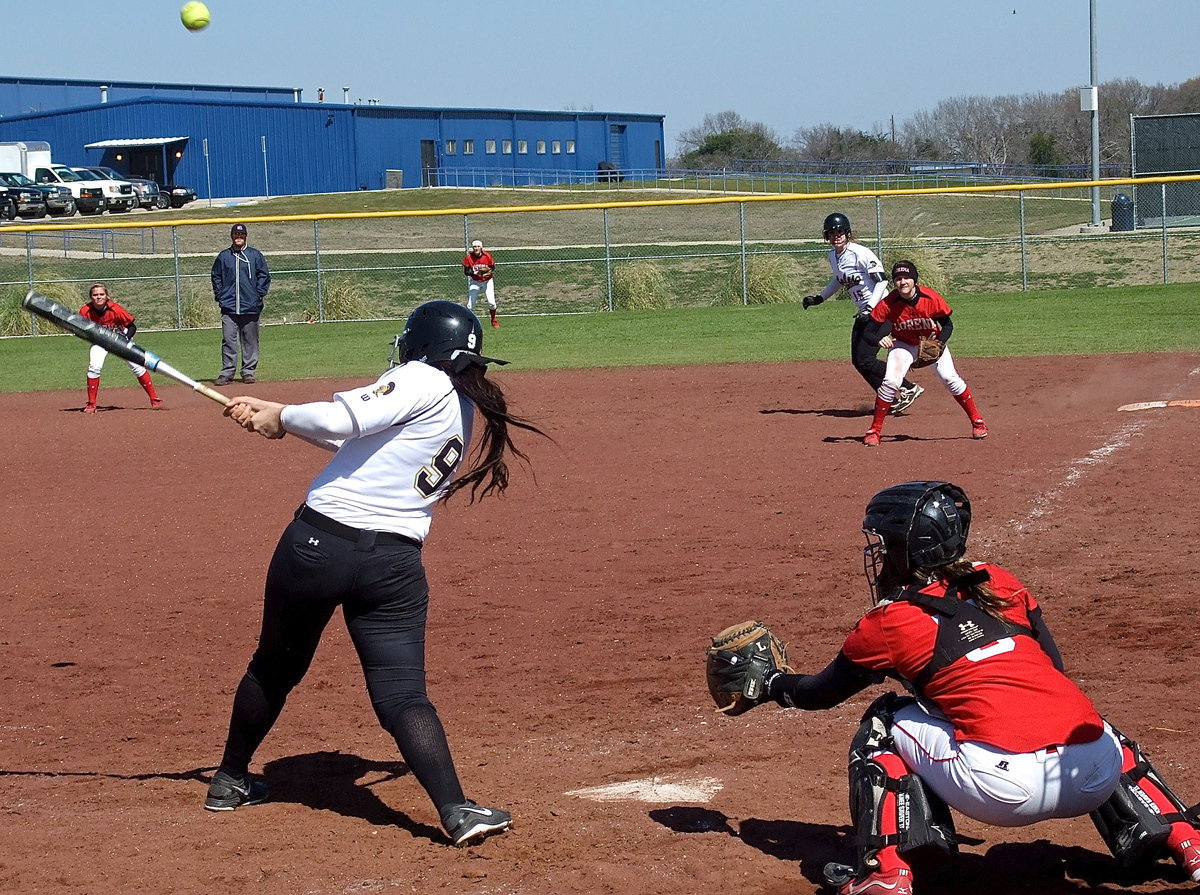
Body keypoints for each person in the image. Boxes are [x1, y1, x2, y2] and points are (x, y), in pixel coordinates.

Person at [712, 481, 1200, 895]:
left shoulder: (891, 622)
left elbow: (821, 693)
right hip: (1095, 773)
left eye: (883, 542)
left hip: (1004, 789)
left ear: (907, 549)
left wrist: (772, 684)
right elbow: (1052, 668)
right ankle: (1184, 839)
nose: (877, 552)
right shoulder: (1002, 582)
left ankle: (886, 874)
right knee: (1082, 717)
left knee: (884, 720)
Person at [205, 300, 545, 848]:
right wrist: (279, 420)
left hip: (316, 546)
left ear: (421, 347)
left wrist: (283, 415)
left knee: (275, 666)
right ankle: (457, 811)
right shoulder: (458, 405)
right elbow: (356, 441)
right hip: (392, 566)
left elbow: (343, 420)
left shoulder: (418, 378)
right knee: (403, 695)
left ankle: (229, 780)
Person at [802, 213, 922, 415]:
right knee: (859, 360)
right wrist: (819, 298)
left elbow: (882, 281)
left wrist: (870, 307)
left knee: (865, 358)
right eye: (832, 233)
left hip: (881, 309)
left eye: (840, 231)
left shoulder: (860, 253)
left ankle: (908, 388)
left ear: (847, 233)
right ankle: (890, 399)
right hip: (864, 312)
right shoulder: (834, 256)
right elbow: (838, 280)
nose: (836, 236)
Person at [862, 260, 987, 446]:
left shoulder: (930, 298)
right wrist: (878, 339)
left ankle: (977, 421)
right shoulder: (889, 302)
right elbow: (868, 331)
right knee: (890, 382)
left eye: (906, 278)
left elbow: (947, 325)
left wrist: (939, 343)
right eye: (898, 279)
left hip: (931, 342)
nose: (902, 282)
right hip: (903, 344)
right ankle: (874, 431)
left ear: (914, 280)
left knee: (950, 378)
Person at [78, 283, 162, 413]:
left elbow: (132, 326)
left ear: (107, 296)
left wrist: (126, 339)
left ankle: (154, 399)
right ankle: (91, 404)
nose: (98, 297)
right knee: (94, 366)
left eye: (101, 294)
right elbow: (81, 329)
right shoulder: (85, 311)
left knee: (137, 367)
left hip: (121, 339)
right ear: (91, 297)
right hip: (100, 342)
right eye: (95, 295)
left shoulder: (115, 309)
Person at [211, 222, 270, 385]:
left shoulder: (255, 255)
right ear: (232, 237)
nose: (239, 238)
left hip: (250, 306)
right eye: (236, 235)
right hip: (229, 307)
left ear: (245, 237)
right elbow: (216, 276)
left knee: (250, 341)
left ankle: (248, 372)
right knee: (229, 340)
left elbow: (264, 276)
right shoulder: (224, 256)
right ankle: (227, 372)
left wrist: (258, 294)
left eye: (241, 235)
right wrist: (220, 295)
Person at [462, 239, 499, 329]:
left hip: (487, 281)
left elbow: (492, 267)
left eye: (478, 246)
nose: (476, 248)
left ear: (481, 247)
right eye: (474, 247)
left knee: (492, 303)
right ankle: (468, 323)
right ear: (472, 248)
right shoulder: (469, 257)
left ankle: (493, 320)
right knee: (470, 305)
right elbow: (466, 271)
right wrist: (474, 273)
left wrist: (488, 271)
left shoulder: (487, 256)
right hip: (475, 281)